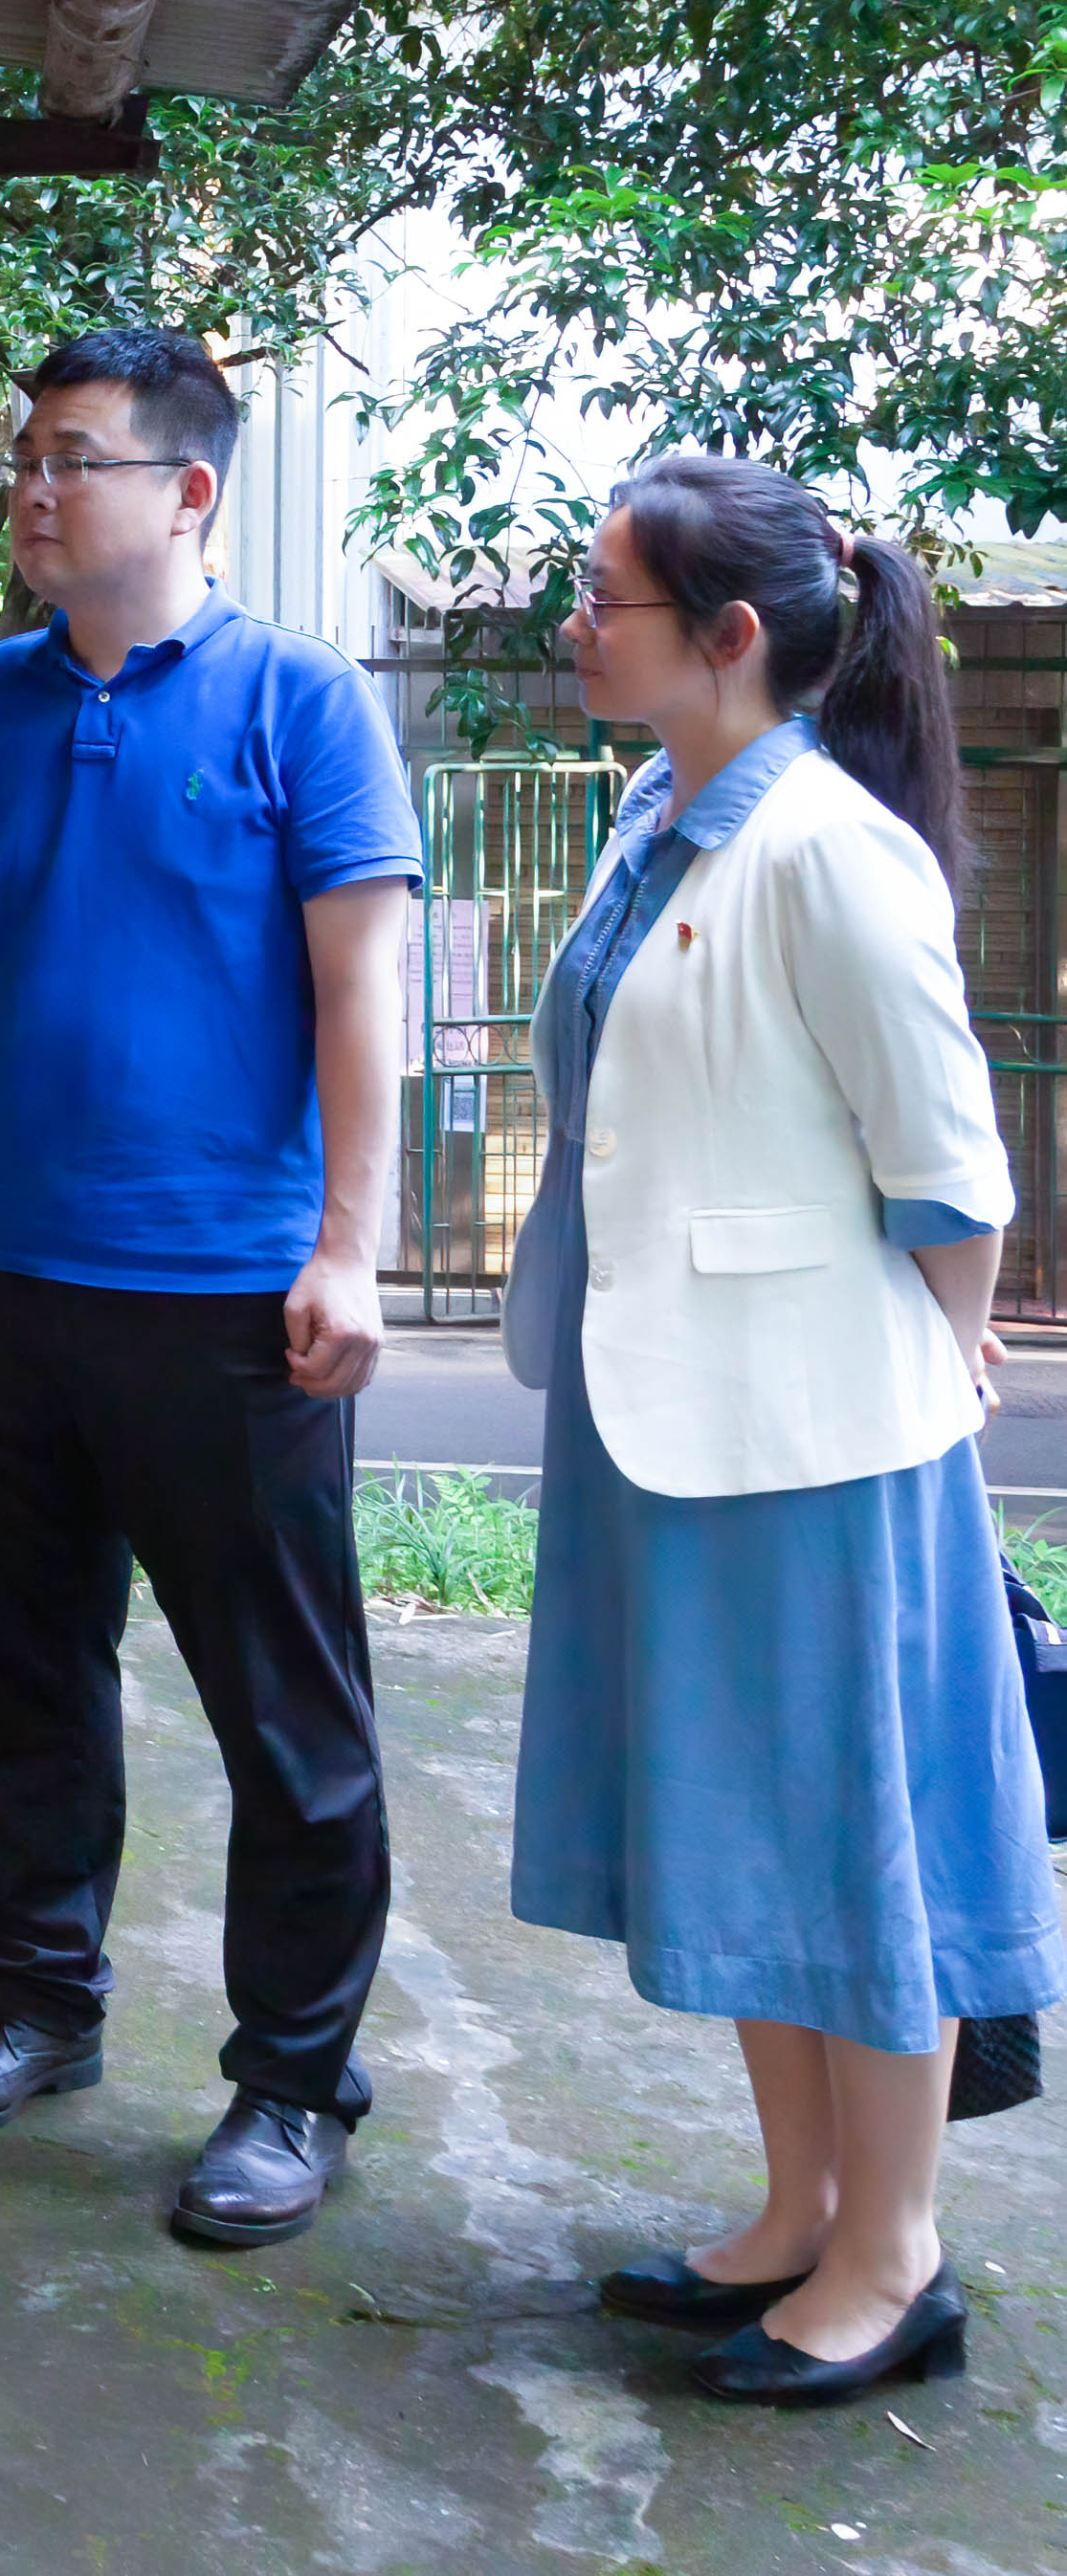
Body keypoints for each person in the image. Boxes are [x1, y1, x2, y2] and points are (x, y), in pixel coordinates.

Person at [0, 328, 416, 2249]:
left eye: (71, 456)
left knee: (282, 1715)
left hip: (223, 1304)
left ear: (184, 492)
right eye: (25, 451)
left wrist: (346, 1240)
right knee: (18, 1671)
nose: (30, 482)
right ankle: (36, 2001)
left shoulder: (299, 703)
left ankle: (287, 2077)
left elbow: (358, 992)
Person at [504, 453, 1065, 2404]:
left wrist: (939, 1362)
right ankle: (797, 2200)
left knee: (855, 1837)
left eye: (604, 597)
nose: (570, 623)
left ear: (727, 637)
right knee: (732, 1826)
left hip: (817, 1434)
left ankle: (893, 2253)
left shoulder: (833, 850)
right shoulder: (654, 811)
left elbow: (947, 1169)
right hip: (656, 1404)